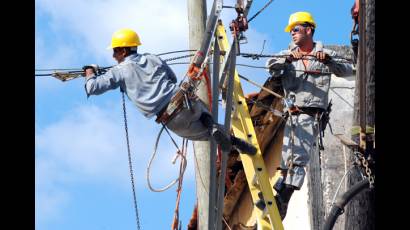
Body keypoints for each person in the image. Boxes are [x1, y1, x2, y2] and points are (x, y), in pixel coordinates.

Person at [83, 28, 256, 155]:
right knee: (204, 114)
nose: (113, 56)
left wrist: (89, 71)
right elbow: (172, 78)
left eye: (115, 52)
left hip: (170, 116)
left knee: (205, 136)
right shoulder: (152, 58)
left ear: (123, 50)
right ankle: (213, 125)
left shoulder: (118, 71)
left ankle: (234, 142)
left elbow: (92, 87)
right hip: (182, 97)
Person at [265, 12, 353, 219]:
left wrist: (329, 61)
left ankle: (283, 198)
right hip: (292, 115)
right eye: (291, 31)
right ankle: (280, 194)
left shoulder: (325, 54)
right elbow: (270, 66)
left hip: (311, 115)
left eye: (295, 30)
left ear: (308, 30)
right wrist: (287, 59)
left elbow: (347, 70)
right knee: (287, 161)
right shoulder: (287, 54)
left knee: (299, 158)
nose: (292, 34)